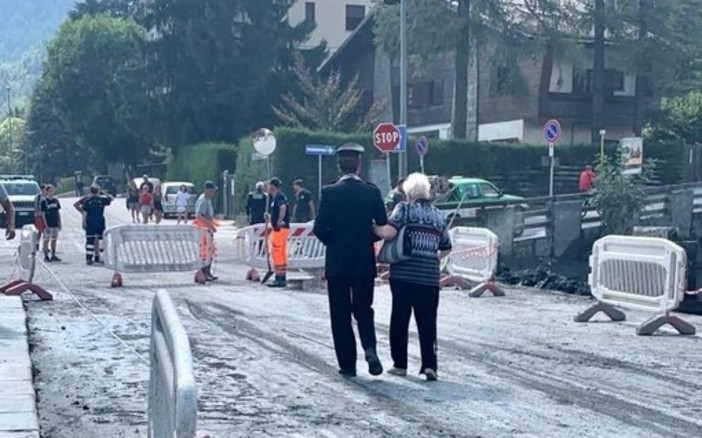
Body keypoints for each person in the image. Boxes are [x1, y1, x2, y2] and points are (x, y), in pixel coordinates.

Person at [313, 142, 387, 378]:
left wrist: (334, 244)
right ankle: (370, 348)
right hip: (364, 261)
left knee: (340, 314)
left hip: (337, 264)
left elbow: (318, 228)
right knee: (364, 309)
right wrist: (366, 237)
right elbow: (381, 223)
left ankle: (348, 365)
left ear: (339, 165)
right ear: (359, 164)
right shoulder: (371, 191)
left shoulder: (329, 192)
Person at [374, 173, 453, 382]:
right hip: (429, 277)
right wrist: (431, 258)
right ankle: (430, 366)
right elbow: (446, 246)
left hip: (404, 275)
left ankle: (400, 365)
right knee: (427, 321)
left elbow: (390, 233)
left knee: (400, 318)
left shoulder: (404, 209)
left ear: (409, 193)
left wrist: (374, 228)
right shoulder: (438, 215)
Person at [74, 185, 112, 265]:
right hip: (100, 220)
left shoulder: (87, 200)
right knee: (100, 239)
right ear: (98, 191)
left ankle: (89, 258)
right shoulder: (102, 199)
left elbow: (85, 212)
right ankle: (98, 257)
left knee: (90, 240)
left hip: (90, 220)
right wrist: (103, 192)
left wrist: (84, 221)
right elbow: (111, 198)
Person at [265, 177, 290, 288]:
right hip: (282, 229)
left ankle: (279, 277)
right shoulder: (276, 197)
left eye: (269, 186)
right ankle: (282, 276)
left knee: (277, 252)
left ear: (273, 186)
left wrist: (279, 221)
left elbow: (283, 208)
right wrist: (269, 217)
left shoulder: (279, 197)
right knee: (282, 252)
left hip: (279, 229)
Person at [194, 181, 218, 281]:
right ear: (207, 190)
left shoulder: (208, 200)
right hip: (203, 229)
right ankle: (204, 272)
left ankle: (208, 272)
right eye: (212, 190)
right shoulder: (203, 200)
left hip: (207, 229)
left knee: (210, 251)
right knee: (205, 252)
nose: (213, 193)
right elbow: (199, 216)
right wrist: (210, 225)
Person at [40, 185, 62, 262]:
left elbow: (58, 212)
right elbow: (43, 214)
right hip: (48, 224)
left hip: (55, 223)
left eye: (52, 190)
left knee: (54, 239)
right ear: (47, 191)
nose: (51, 192)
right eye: (50, 190)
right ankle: (46, 256)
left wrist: (60, 222)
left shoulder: (56, 201)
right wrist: (46, 225)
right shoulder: (44, 202)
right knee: (46, 240)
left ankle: (53, 255)